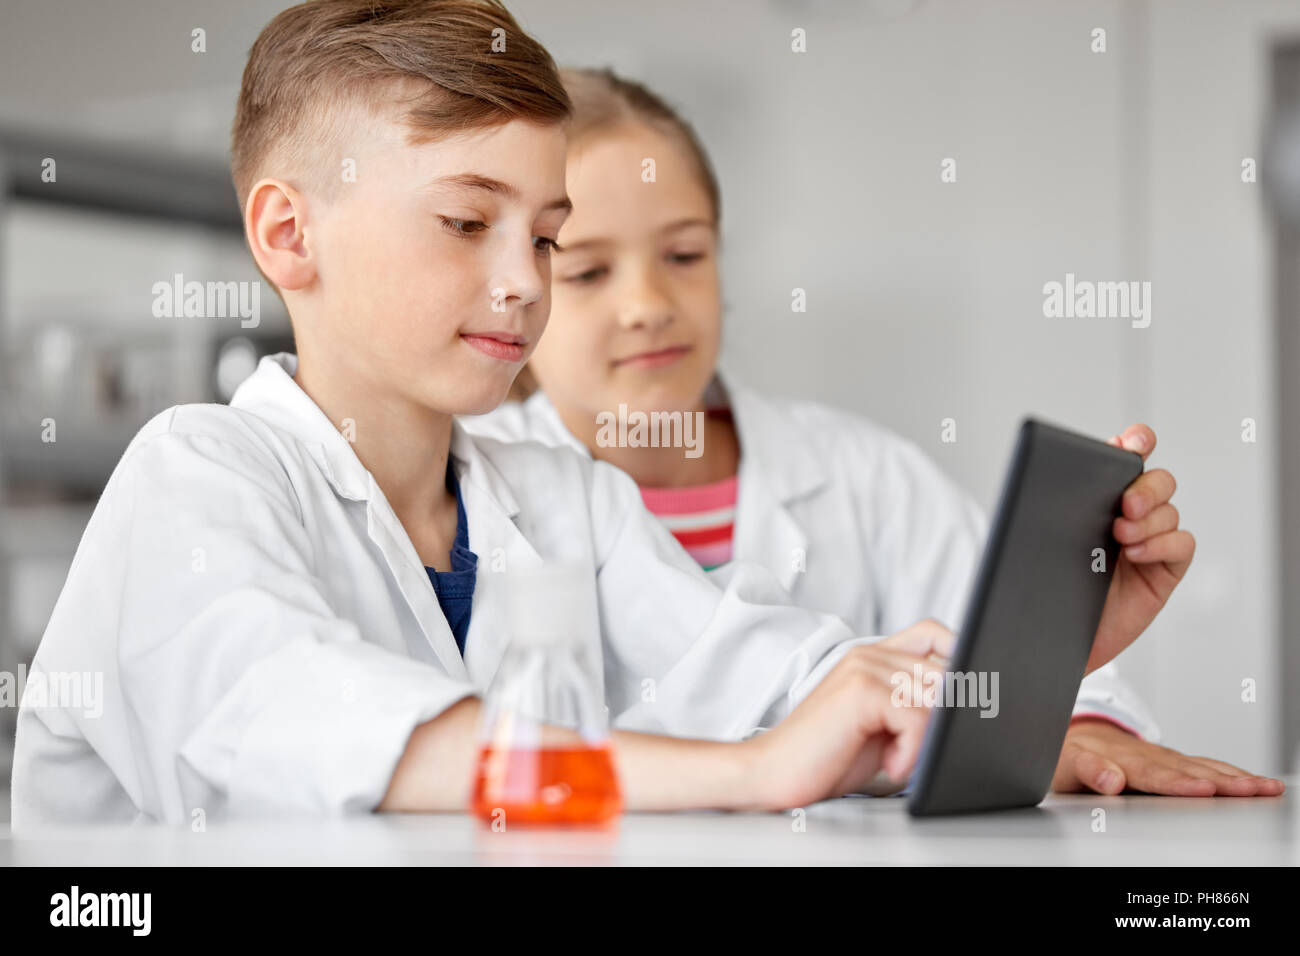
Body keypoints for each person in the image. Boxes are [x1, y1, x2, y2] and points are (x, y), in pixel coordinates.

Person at [464, 67, 1284, 799]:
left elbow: (1010, 684)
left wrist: (1069, 711)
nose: (647, 303)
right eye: (586, 270)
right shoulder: (481, 498)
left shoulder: (864, 476)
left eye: (684, 254)